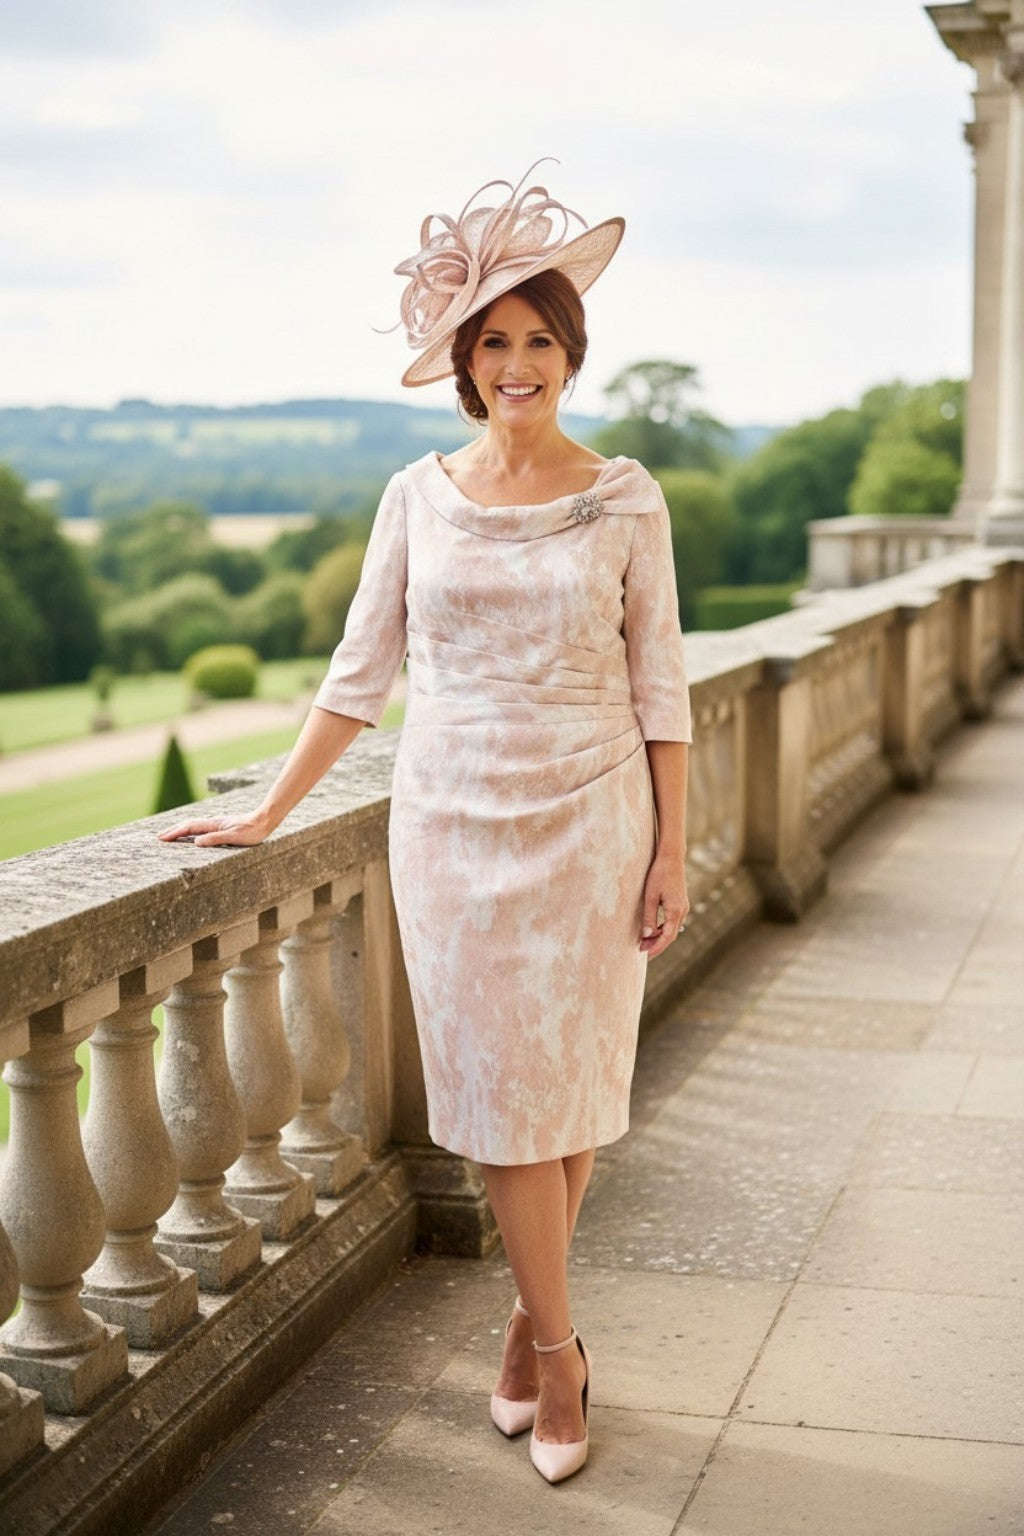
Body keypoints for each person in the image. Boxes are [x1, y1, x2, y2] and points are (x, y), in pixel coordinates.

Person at [160, 163, 691, 1485]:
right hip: (451, 827)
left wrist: (674, 844)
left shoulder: (626, 494)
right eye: (495, 342)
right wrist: (267, 814)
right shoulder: (417, 495)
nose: (520, 363)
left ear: (573, 354)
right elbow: (359, 673)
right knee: (506, 1100)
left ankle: (535, 1334)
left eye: (541, 340)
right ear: (466, 363)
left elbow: (660, 683)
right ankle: (562, 1351)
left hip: (595, 821)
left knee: (560, 1101)